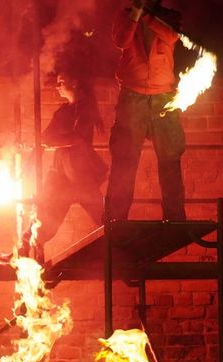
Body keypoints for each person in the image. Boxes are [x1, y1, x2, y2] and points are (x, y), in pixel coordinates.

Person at [103, 0, 187, 222]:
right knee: (125, 159)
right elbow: (121, 41)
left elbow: (171, 36)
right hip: (133, 95)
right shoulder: (126, 16)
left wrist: (146, 15)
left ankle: (175, 217)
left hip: (163, 97)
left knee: (170, 158)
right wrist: (135, 16)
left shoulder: (170, 17)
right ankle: (115, 219)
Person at [26, 66, 108, 256]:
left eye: (62, 82)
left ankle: (121, 244)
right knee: (46, 211)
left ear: (75, 83)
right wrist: (31, 158)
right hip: (61, 170)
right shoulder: (63, 111)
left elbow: (77, 138)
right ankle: (23, 248)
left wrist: (49, 143)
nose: (58, 86)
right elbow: (44, 137)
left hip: (80, 170)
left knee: (102, 215)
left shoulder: (85, 108)